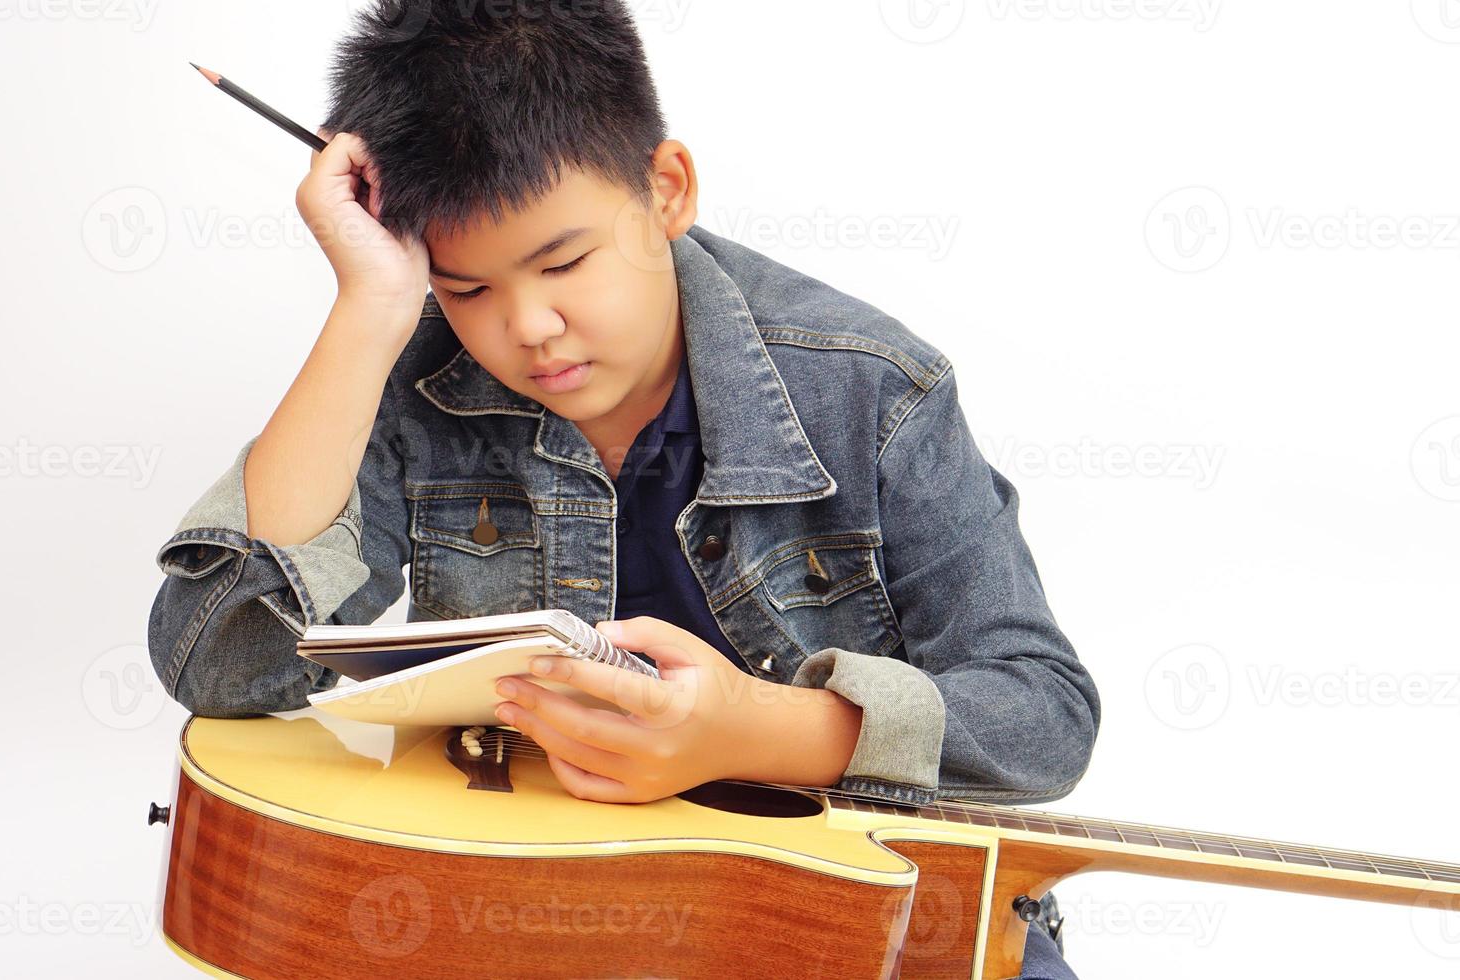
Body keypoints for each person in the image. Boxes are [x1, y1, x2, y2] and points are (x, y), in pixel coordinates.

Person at [145, 3, 1098, 976]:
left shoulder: (871, 387)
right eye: (465, 286)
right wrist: (369, 310)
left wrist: (750, 728)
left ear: (666, 188)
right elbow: (219, 665)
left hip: (857, 918)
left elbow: (1043, 717)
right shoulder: (404, 380)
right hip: (551, 912)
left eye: (564, 261)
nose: (531, 326)